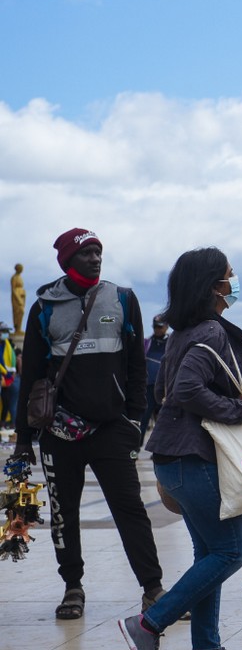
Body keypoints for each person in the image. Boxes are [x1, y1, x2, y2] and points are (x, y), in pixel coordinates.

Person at [118, 247, 242, 650]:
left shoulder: (182, 332)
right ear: (214, 284)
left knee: (208, 553)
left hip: (172, 460)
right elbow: (186, 389)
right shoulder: (212, 331)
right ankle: (148, 624)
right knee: (231, 552)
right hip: (194, 459)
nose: (235, 282)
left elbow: (169, 391)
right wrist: (240, 409)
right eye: (230, 275)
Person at [13, 228, 163, 621]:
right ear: (67, 261)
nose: (96, 259)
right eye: (86, 254)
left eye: (99, 252)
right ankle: (73, 586)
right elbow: (29, 378)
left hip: (112, 428)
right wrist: (23, 440)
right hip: (59, 432)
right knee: (65, 514)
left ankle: (152, 588)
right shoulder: (45, 304)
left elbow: (135, 367)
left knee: (131, 509)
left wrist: (134, 420)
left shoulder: (123, 299)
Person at [141, 315, 170, 443]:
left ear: (166, 327)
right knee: (143, 420)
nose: (157, 329)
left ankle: (161, 451)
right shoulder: (147, 343)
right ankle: (135, 450)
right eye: (155, 327)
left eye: (160, 327)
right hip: (148, 388)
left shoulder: (172, 343)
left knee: (164, 423)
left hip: (165, 389)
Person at [0, 322, 16, 425]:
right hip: (3, 376)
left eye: (7, 331)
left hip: (7, 378)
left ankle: (3, 422)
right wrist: (6, 373)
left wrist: (11, 373)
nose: (6, 333)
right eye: (4, 331)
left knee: (7, 401)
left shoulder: (7, 344)